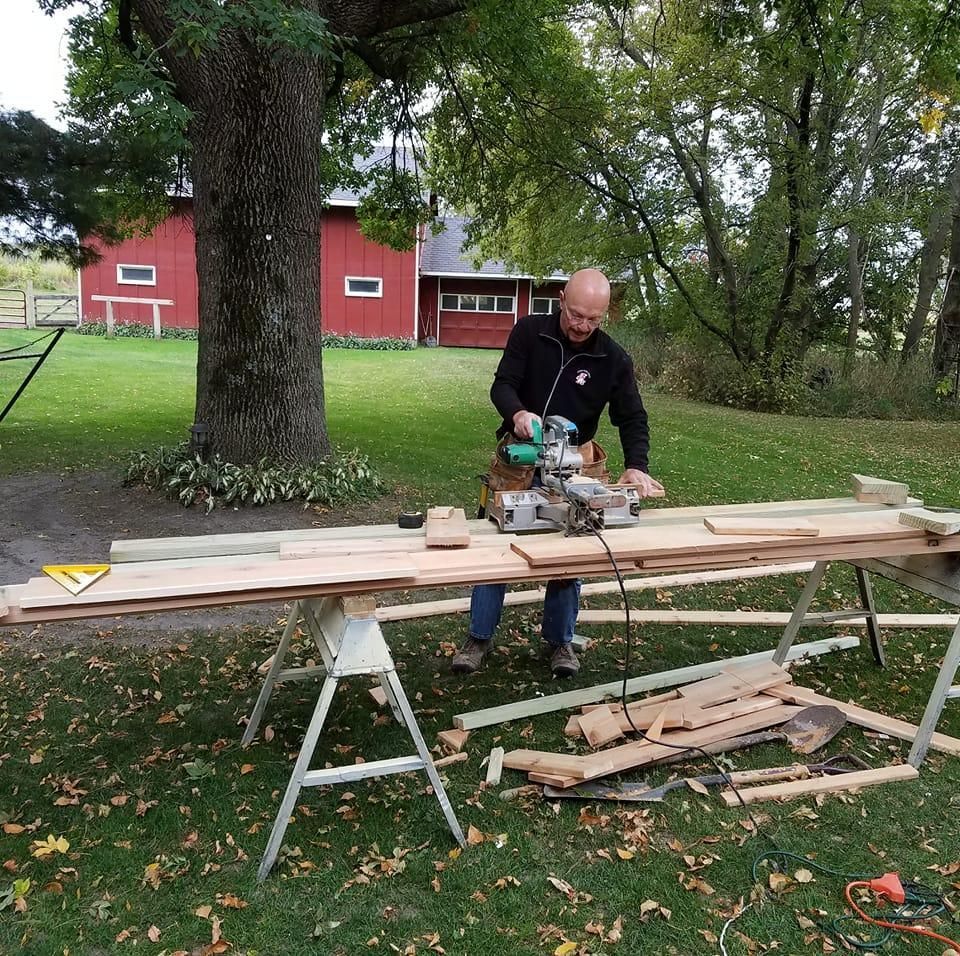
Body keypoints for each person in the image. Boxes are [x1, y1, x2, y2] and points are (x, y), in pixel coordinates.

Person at [452, 268, 664, 678]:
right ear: (562, 298)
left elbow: (633, 417)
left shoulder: (613, 358)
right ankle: (479, 637)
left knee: (574, 552)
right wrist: (517, 413)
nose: (582, 326)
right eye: (577, 314)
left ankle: (560, 642)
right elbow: (502, 384)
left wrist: (637, 466)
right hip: (521, 459)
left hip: (577, 463)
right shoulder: (530, 333)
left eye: (594, 319)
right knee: (498, 547)